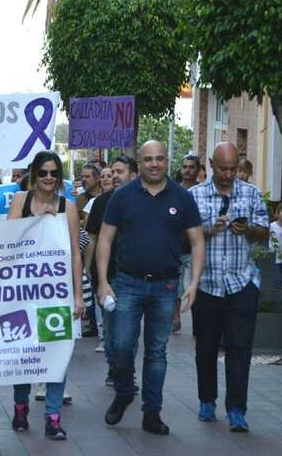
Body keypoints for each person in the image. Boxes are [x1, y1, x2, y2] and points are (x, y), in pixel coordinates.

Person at [96, 141, 204, 436]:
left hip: (166, 286)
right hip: (127, 283)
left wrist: (193, 283)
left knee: (156, 352)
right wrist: (104, 281)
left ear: (167, 161)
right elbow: (105, 239)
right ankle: (124, 391)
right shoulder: (122, 197)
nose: (154, 164)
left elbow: (196, 241)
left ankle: (152, 413)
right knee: (119, 346)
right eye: (148, 159)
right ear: (139, 163)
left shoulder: (182, 197)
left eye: (159, 159)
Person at [189, 142, 269, 433]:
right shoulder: (193, 196)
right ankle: (206, 401)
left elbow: (263, 234)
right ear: (211, 164)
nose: (228, 174)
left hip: (241, 283)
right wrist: (210, 229)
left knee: (240, 348)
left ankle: (237, 410)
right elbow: (185, 238)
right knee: (206, 348)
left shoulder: (251, 194)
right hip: (207, 284)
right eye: (222, 168)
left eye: (233, 168)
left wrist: (246, 229)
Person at [6, 151, 85, 441]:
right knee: (22, 353)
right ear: (34, 175)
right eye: (43, 173)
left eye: (54, 173)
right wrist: (39, 220)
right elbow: (8, 238)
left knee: (57, 354)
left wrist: (78, 296)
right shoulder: (20, 201)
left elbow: (75, 253)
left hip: (56, 293)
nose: (49, 178)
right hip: (23, 292)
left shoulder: (69, 207)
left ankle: (53, 416)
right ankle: (20, 406)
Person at [85, 155, 137, 385]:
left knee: (129, 330)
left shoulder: (142, 201)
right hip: (107, 276)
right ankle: (114, 367)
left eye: (120, 171)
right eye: (112, 172)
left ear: (133, 175)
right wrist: (89, 271)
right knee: (110, 328)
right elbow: (93, 239)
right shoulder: (100, 203)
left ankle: (126, 372)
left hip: (134, 276)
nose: (115, 176)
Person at [82, 165, 113, 352]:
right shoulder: (96, 203)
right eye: (104, 176)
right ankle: (103, 337)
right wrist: (88, 265)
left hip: (120, 263)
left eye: (110, 175)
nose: (107, 179)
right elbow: (90, 235)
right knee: (101, 300)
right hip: (100, 261)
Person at [173, 153, 203, 332]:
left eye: (191, 167)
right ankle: (176, 319)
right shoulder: (174, 191)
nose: (187, 170)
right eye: (185, 167)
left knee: (197, 282)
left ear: (198, 170)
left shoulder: (202, 192)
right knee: (175, 285)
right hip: (176, 245)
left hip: (195, 246)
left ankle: (199, 321)